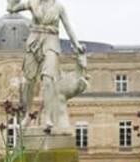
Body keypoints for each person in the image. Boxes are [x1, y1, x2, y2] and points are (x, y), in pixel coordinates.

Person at [7, 0, 86, 131]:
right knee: (28, 81)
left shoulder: (59, 7)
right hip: (34, 42)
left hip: (51, 43)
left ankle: (48, 117)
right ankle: (27, 115)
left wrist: (76, 44)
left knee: (48, 80)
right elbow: (12, 8)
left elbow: (68, 26)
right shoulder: (32, 3)